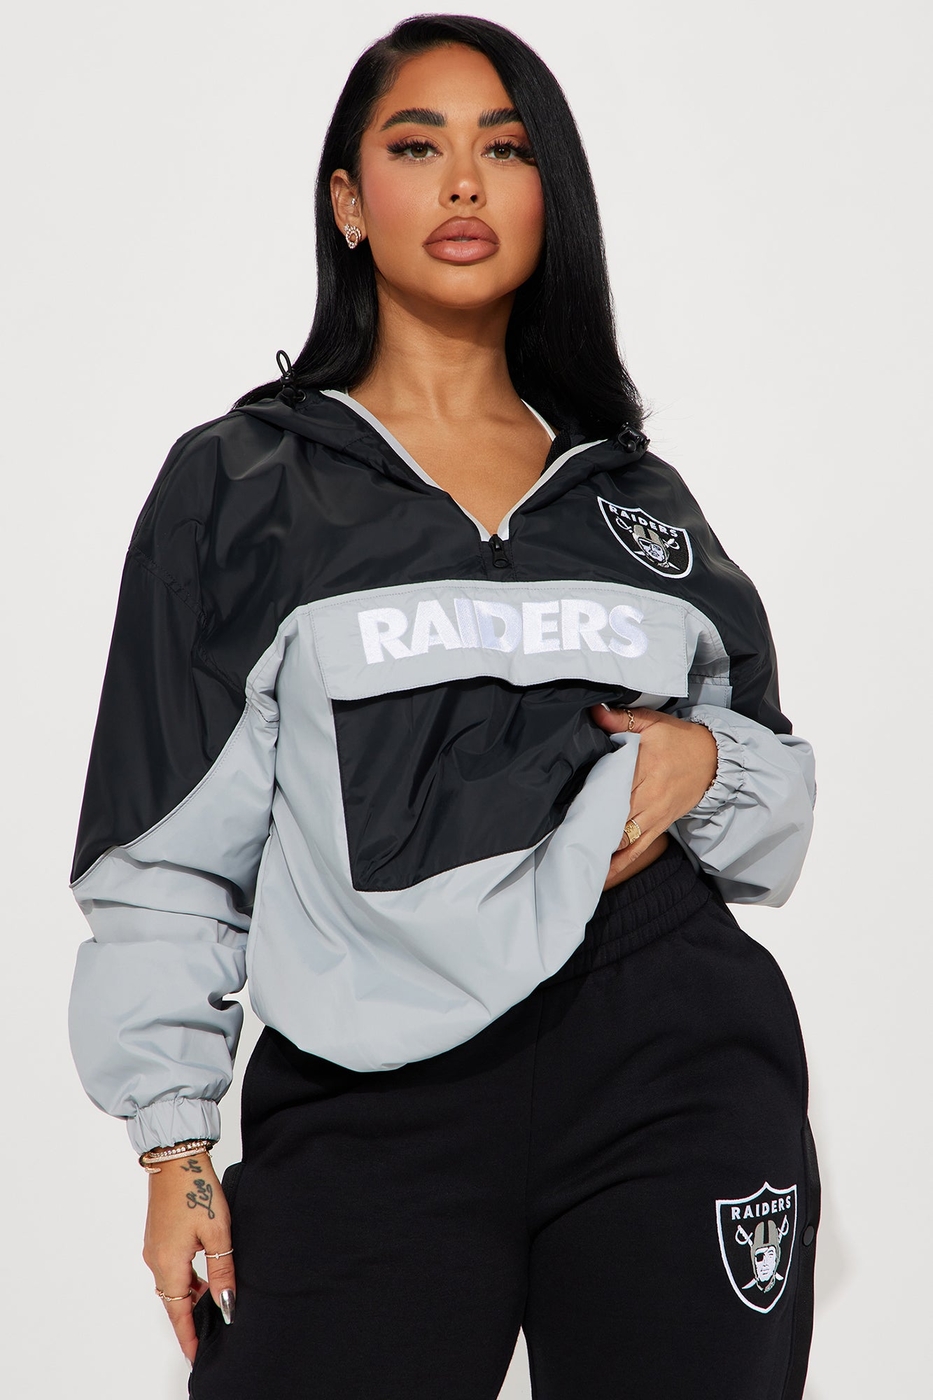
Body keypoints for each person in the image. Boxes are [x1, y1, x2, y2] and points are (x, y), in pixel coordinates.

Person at [67, 15, 820, 1399]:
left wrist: (706, 761)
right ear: (349, 202)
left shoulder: (632, 496)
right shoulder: (243, 487)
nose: (464, 182)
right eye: (417, 147)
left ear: (549, 198)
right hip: (372, 1086)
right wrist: (175, 1146)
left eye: (506, 148)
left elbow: (771, 789)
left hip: (667, 1046)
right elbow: (165, 853)